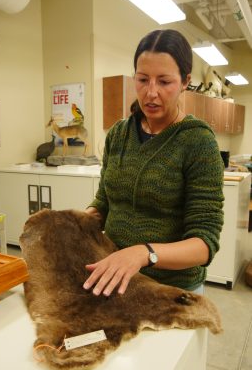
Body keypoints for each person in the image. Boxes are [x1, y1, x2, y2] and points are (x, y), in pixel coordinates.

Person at [83, 29, 224, 297]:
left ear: (185, 81)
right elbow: (104, 202)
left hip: (171, 288)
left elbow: (204, 243)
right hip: (115, 277)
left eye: (164, 82)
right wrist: (73, 222)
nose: (151, 93)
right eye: (143, 79)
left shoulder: (197, 142)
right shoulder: (119, 134)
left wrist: (143, 253)